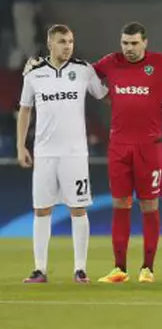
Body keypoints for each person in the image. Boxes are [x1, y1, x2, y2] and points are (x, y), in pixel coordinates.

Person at [94, 22, 162, 283]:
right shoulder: (110, 62)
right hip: (119, 146)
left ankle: (147, 268)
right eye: (125, 43)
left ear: (145, 43)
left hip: (150, 146)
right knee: (120, 204)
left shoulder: (161, 63)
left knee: (149, 206)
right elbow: (81, 74)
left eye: (134, 43)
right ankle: (119, 269)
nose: (129, 48)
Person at [18, 24, 108, 283]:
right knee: (42, 210)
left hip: (75, 154)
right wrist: (21, 145)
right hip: (45, 153)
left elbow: (104, 95)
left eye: (70, 41)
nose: (67, 46)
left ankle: (80, 269)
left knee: (78, 209)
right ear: (49, 44)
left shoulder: (83, 70)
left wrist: (133, 90)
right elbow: (25, 110)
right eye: (61, 41)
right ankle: (40, 269)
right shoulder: (34, 74)